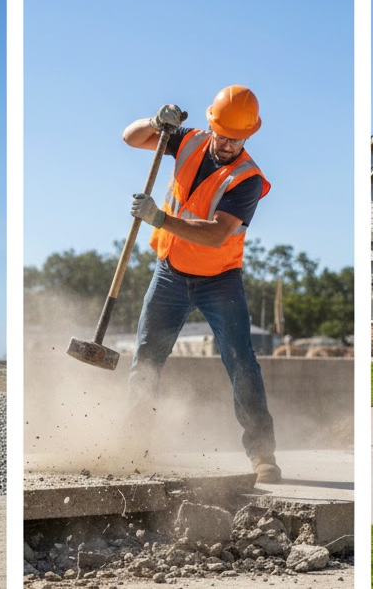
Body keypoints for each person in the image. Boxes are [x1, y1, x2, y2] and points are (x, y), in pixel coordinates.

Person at [123, 85, 281, 484]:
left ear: (249, 135)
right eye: (223, 134)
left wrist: (159, 219)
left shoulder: (247, 179)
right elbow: (131, 137)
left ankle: (263, 456)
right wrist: (156, 123)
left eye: (237, 138)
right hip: (170, 272)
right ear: (211, 124)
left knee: (241, 362)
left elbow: (215, 234)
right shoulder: (189, 141)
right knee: (146, 359)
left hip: (219, 281)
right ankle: (131, 448)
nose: (228, 143)